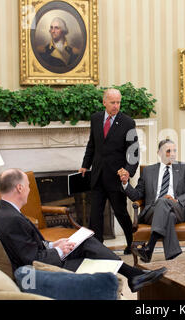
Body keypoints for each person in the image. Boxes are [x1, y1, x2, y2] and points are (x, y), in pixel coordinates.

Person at [0, 169, 166, 293]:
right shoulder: (11, 219)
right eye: (27, 185)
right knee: (92, 257)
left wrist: (52, 244)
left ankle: (133, 275)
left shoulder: (5, 212)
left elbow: (27, 247)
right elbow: (31, 259)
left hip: (44, 257)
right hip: (41, 271)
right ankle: (133, 275)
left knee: (86, 241)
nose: (28, 189)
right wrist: (58, 250)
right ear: (19, 188)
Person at [118, 139, 185, 262]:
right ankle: (171, 254)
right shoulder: (148, 171)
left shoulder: (184, 168)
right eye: (168, 151)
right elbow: (136, 196)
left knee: (164, 203)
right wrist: (125, 183)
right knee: (167, 212)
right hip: (152, 212)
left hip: (177, 209)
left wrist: (177, 200)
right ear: (159, 153)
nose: (172, 154)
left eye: (174, 151)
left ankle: (149, 247)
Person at [79, 88, 139, 254]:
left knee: (120, 212)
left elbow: (133, 152)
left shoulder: (128, 122)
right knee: (95, 215)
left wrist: (128, 171)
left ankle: (131, 242)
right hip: (98, 176)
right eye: (112, 102)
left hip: (116, 177)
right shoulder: (96, 119)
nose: (116, 106)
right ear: (104, 102)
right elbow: (92, 144)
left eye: (118, 102)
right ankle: (98, 248)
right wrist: (85, 165)